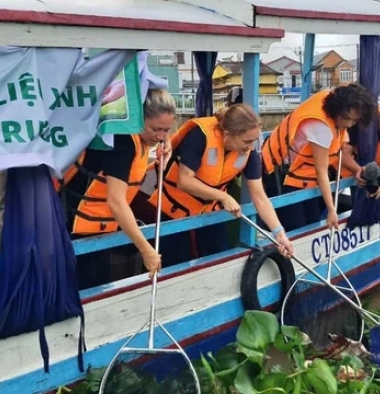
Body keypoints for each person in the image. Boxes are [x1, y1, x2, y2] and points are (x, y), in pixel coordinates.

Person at [146, 103, 295, 266]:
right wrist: (222, 196)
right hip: (173, 211)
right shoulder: (200, 136)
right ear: (227, 134)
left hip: (210, 212)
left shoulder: (248, 151)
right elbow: (185, 180)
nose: (251, 147)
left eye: (254, 140)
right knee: (176, 264)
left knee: (220, 257)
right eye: (247, 141)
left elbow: (259, 196)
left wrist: (279, 233)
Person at [57, 88, 176, 288]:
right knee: (83, 289)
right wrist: (147, 251)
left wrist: (167, 140)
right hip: (74, 227)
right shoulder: (122, 143)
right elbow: (116, 202)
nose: (161, 136)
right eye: (156, 129)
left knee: (101, 284)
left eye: (166, 130)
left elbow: (157, 130)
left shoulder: (141, 137)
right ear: (138, 118)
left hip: (100, 229)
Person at [261, 83, 375, 232]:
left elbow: (337, 151)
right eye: (346, 118)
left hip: (306, 177)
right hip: (283, 173)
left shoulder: (332, 108)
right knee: (296, 227)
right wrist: (331, 210)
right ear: (336, 109)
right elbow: (321, 171)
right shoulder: (321, 127)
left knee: (312, 221)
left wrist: (356, 169)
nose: (348, 124)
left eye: (354, 120)